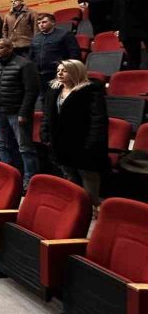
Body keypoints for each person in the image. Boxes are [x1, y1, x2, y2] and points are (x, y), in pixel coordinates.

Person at [41, 60, 108, 209]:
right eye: (58, 70)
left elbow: (97, 120)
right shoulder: (54, 89)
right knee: (69, 175)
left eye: (64, 70)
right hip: (60, 141)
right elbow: (47, 115)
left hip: (83, 142)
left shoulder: (90, 91)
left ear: (75, 72)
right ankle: (75, 208)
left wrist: (92, 143)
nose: (59, 73)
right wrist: (45, 133)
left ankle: (91, 208)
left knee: (88, 176)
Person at [0, 39, 39, 191]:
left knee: (25, 147)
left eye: (1, 47)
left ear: (10, 48)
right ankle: (8, 175)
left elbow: (31, 91)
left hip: (16, 112)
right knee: (3, 145)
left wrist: (24, 112)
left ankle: (29, 179)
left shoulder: (24, 64)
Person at [29, 13, 81, 97]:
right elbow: (31, 56)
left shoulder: (64, 34)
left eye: (44, 22)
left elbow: (75, 54)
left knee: (58, 97)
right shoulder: (36, 38)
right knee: (44, 98)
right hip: (40, 75)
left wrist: (68, 69)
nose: (41, 25)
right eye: (39, 23)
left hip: (58, 74)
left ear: (53, 22)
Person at [113, 0, 148, 70]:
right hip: (128, 30)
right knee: (133, 60)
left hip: (146, 26)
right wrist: (116, 28)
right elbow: (116, 12)